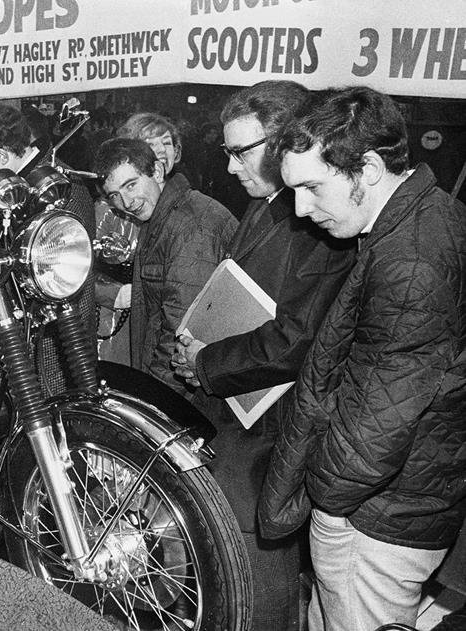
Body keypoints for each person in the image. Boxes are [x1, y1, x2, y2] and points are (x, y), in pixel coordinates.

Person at [258, 86, 466, 631]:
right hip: (407, 500)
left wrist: (323, 500)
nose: (301, 209)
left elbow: (377, 427)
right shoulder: (429, 216)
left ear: (368, 167)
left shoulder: (411, 261)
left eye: (311, 186)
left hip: (377, 521)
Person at [171, 80, 356, 631]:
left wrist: (207, 362)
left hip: (274, 427)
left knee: (262, 580)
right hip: (243, 417)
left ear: (283, 143)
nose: (228, 168)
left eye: (240, 151)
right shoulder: (265, 205)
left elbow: (298, 337)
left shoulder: (316, 220)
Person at [0, 102, 96, 395]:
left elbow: (63, 291)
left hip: (56, 350)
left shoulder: (61, 189)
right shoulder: (17, 185)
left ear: (2, 155)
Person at [95, 137, 236, 394]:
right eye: (114, 195)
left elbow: (180, 331)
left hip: (184, 391)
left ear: (157, 172)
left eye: (131, 185)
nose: (126, 202)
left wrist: (154, 400)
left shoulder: (190, 226)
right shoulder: (162, 217)